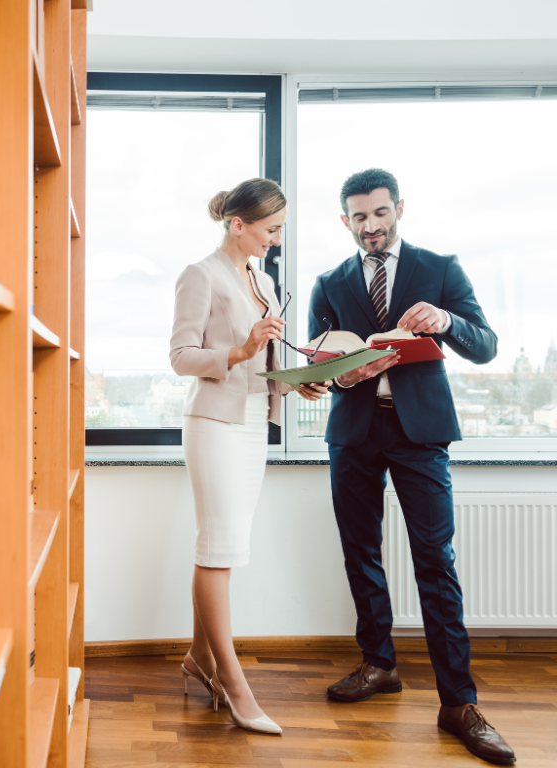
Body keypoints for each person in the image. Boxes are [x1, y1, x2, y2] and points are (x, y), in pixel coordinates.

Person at [308, 168, 514, 765]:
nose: (370, 226)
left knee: (434, 560)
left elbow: (486, 344)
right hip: (353, 432)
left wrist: (446, 322)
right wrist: (344, 373)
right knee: (360, 551)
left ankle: (459, 702)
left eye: (379, 214)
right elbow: (322, 364)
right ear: (345, 220)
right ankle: (378, 665)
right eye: (358, 217)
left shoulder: (439, 268)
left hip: (419, 433)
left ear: (399, 208)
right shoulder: (329, 281)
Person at [170, 178, 329, 735]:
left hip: (252, 426)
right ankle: (235, 686)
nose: (276, 241)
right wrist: (239, 349)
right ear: (238, 225)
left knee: (227, 548)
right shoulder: (201, 274)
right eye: (270, 229)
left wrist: (298, 383)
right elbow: (181, 356)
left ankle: (198, 658)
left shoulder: (263, 279)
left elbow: (262, 368)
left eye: (280, 230)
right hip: (213, 424)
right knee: (217, 549)